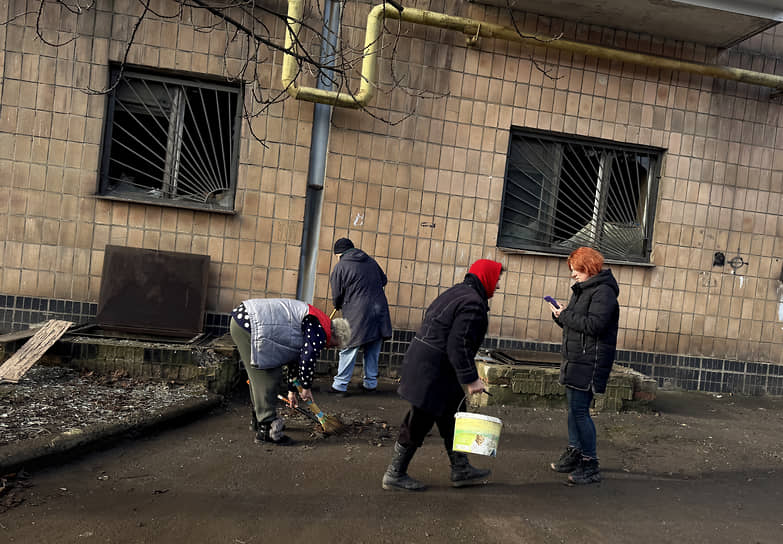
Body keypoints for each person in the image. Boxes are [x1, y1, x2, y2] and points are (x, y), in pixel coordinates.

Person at [382, 259, 504, 491]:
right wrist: (471, 379)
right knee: (419, 422)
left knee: (454, 415)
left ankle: (461, 468)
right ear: (486, 276)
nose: (498, 285)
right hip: (433, 372)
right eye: (497, 279)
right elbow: (458, 344)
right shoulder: (473, 303)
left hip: (432, 367)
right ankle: (394, 474)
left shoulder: (457, 292)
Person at [230, 298, 351, 445]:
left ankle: (259, 421)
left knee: (258, 378)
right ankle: (267, 430)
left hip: (244, 320)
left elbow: (295, 359)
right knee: (268, 376)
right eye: (334, 345)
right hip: (251, 324)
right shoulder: (320, 328)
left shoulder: (317, 322)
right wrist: (306, 387)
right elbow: (308, 356)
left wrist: (292, 392)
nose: (329, 348)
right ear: (335, 335)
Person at [547, 247, 619, 485]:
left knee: (579, 410)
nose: (573, 275)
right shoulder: (584, 290)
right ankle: (575, 451)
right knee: (573, 409)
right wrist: (561, 317)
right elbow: (578, 326)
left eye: (575, 269)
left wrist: (565, 316)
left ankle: (590, 462)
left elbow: (595, 325)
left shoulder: (604, 292)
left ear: (588, 267)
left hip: (589, 361)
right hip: (577, 359)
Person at [329, 237, 393, 396]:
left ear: (339, 254)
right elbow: (384, 280)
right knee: (372, 348)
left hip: (357, 313)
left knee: (348, 347)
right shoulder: (371, 261)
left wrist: (338, 303)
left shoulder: (341, 266)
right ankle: (370, 384)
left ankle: (340, 386)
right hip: (379, 312)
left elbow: (337, 294)